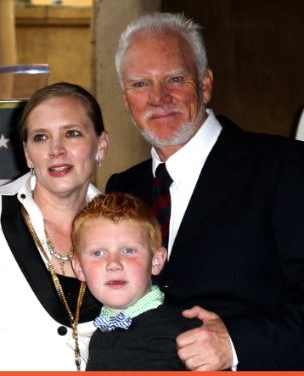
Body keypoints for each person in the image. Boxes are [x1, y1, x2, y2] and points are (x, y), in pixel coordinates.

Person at [106, 12, 304, 370]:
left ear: (206, 84)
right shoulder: (122, 188)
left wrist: (236, 344)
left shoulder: (286, 168)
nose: (158, 98)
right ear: (125, 101)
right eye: (140, 85)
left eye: (175, 79)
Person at [0, 82, 108, 370]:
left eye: (72, 133)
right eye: (41, 137)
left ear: (101, 144)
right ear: (27, 153)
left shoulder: (126, 227)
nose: (56, 150)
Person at [71, 192, 200, 370]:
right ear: (79, 268)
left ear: (156, 261)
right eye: (98, 253)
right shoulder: (97, 339)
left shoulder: (188, 332)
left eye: (128, 250)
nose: (113, 264)